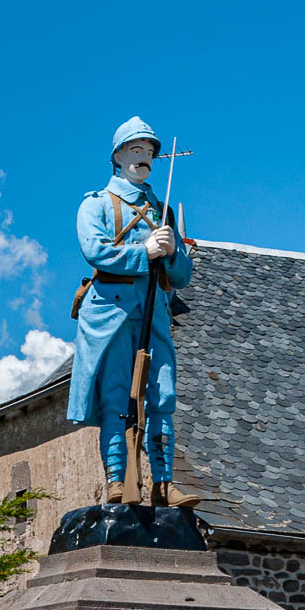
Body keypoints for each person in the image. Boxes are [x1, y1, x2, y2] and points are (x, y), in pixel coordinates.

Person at [66, 116, 197, 507]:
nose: (144, 158)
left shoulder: (163, 210)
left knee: (162, 394)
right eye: (135, 150)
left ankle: (163, 483)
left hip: (154, 309)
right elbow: (97, 251)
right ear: (118, 157)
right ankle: (115, 482)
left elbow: (184, 274)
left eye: (149, 152)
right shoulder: (96, 204)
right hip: (111, 310)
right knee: (116, 395)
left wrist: (172, 251)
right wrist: (146, 253)